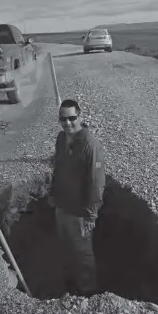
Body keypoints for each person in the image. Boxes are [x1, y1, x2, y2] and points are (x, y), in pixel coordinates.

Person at [48, 99, 105, 296]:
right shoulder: (61, 139)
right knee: (65, 247)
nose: (68, 123)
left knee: (82, 254)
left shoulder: (90, 146)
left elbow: (96, 184)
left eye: (72, 118)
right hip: (62, 207)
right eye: (63, 119)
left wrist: (91, 215)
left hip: (80, 213)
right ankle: (69, 284)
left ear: (80, 116)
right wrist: (53, 194)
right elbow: (57, 168)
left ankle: (87, 291)